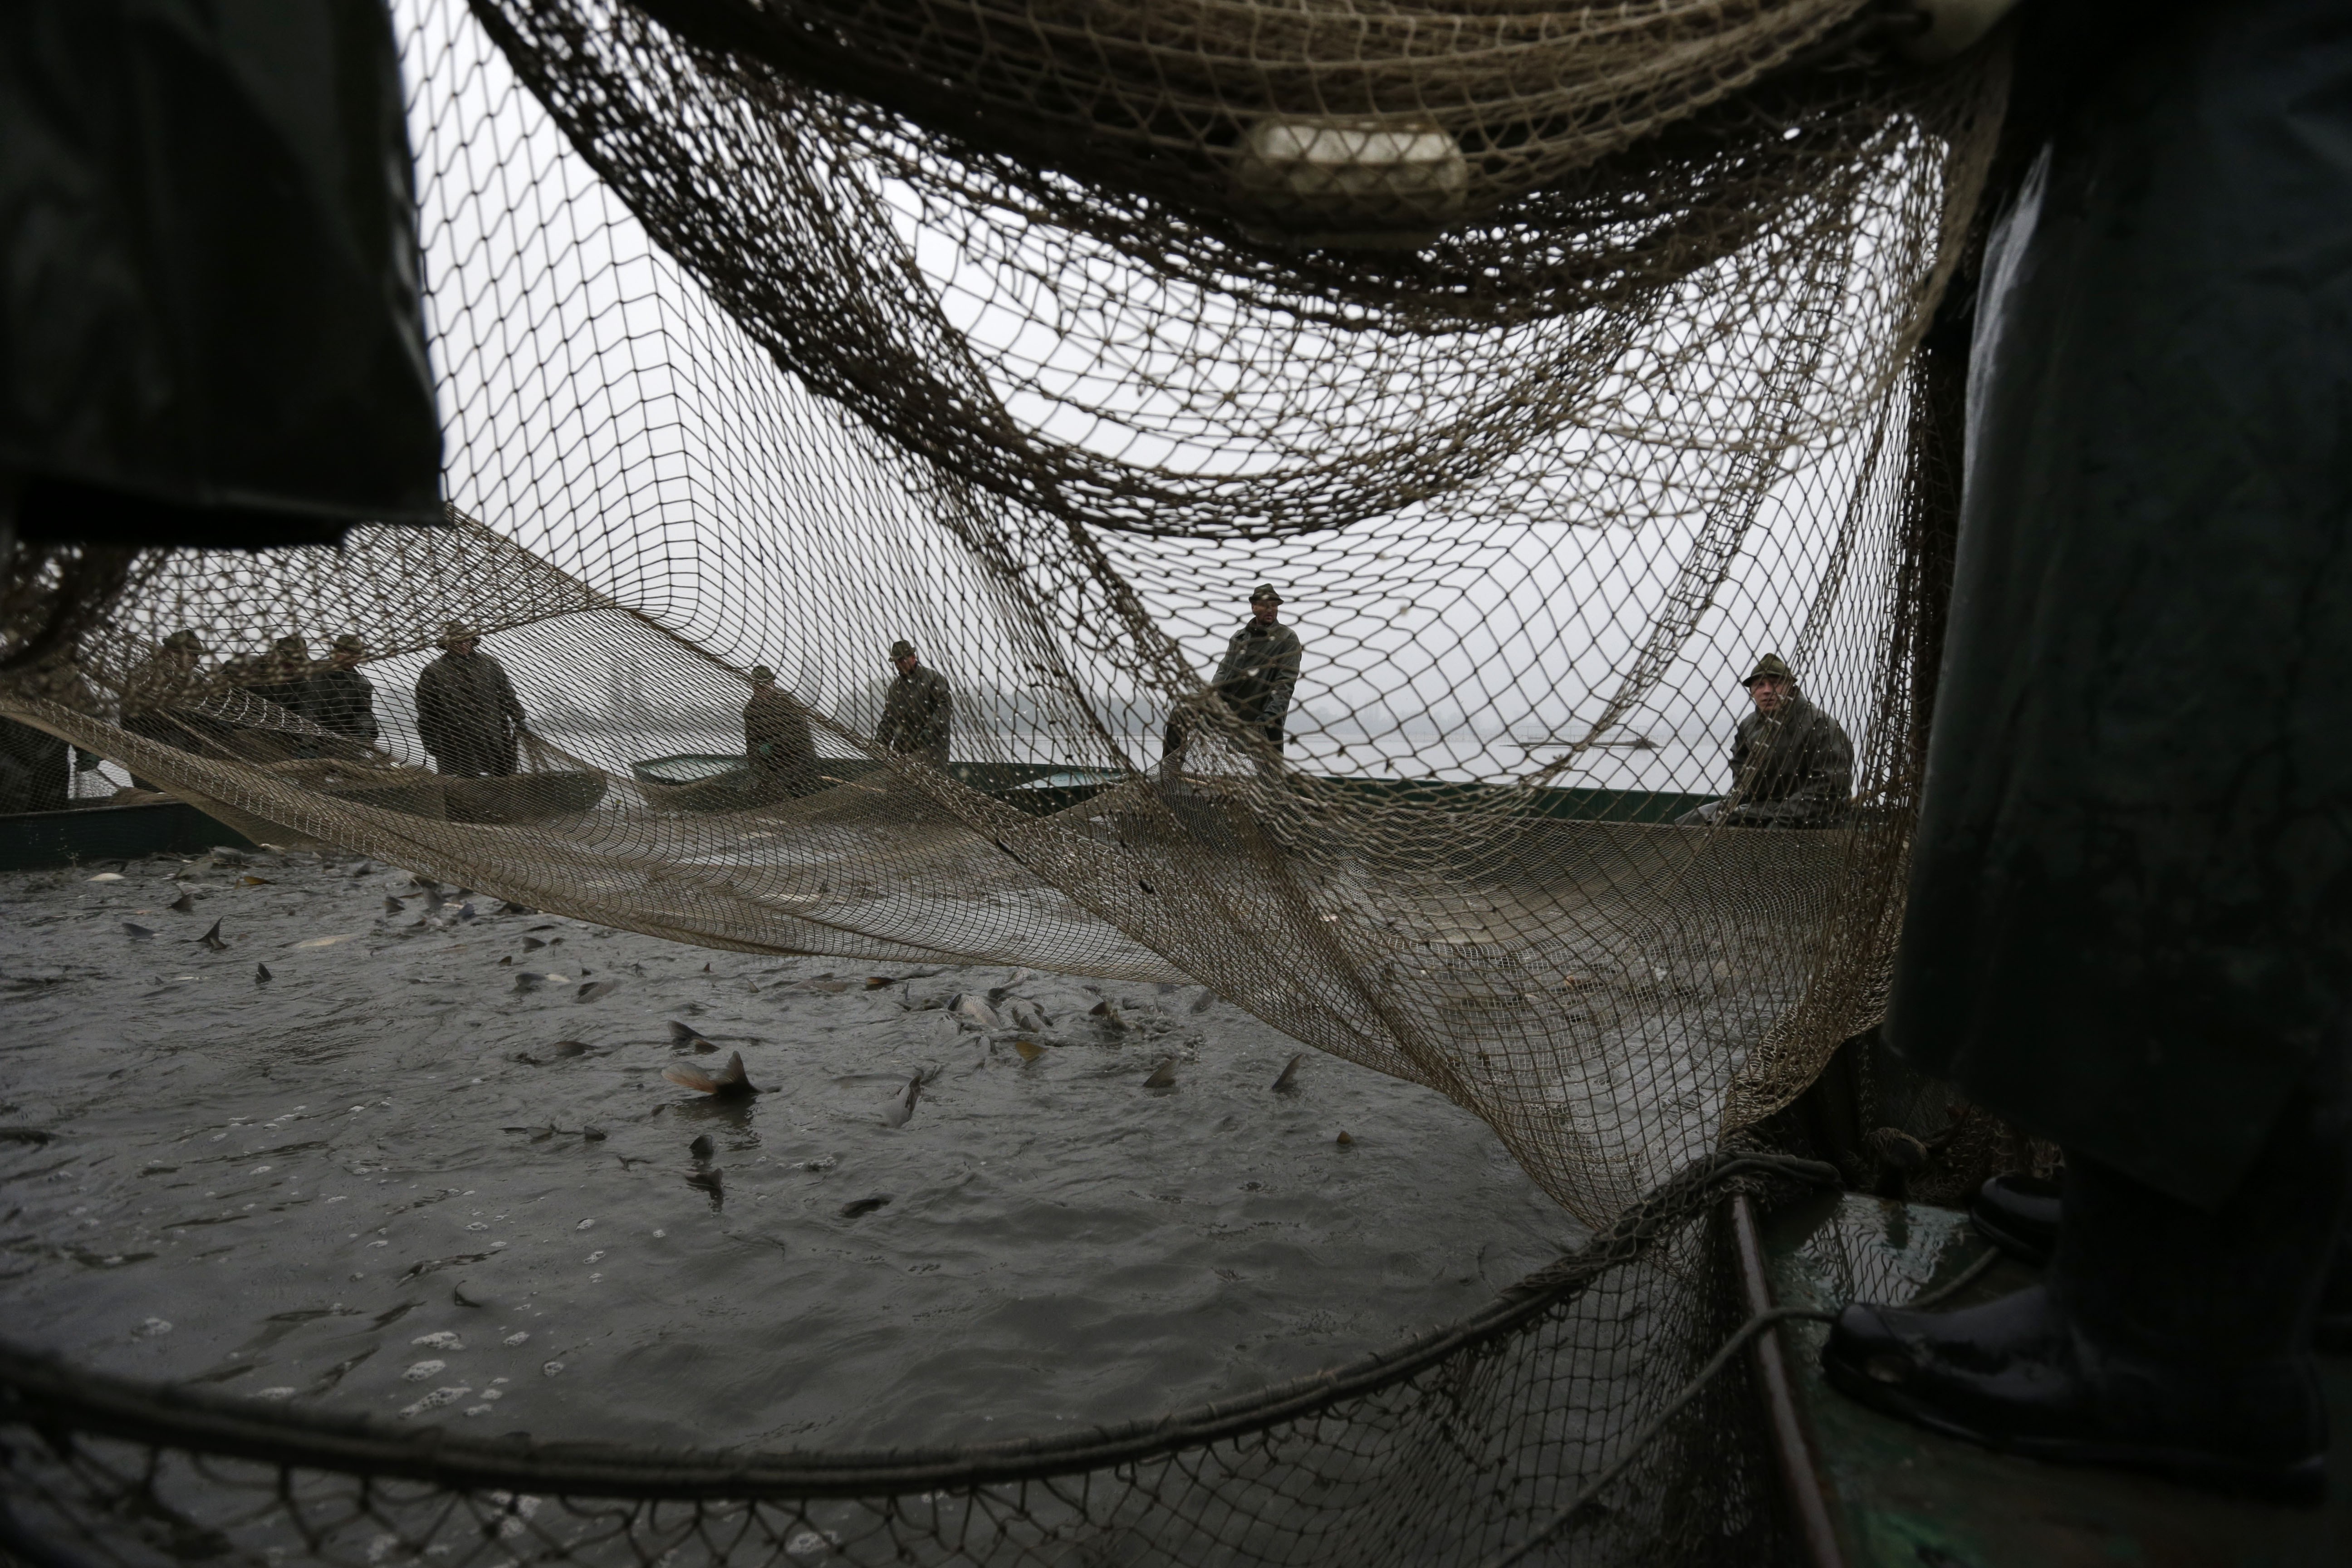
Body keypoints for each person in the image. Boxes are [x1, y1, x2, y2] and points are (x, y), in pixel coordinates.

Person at [1821, 1, 2352, 1505]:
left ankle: (2178, 1331)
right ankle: (2270, 1238)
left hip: (2264, 171)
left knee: (2209, 683)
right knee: (2200, 668)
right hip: (2213, 130)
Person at [1678, 654, 1852, 827]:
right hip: (1760, 808)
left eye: (1776, 683)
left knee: (1768, 833)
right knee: (1693, 820)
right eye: (1760, 685)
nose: (1767, 691)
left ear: (1791, 687)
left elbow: (1830, 786)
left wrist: (1781, 818)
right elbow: (1740, 768)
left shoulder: (1820, 724)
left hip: (1811, 816)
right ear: (1752, 691)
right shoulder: (1749, 725)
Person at [1162, 584, 1303, 777]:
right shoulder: (1239, 637)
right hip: (1228, 711)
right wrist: (1209, 700)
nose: (1271, 609)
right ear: (1254, 607)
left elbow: (1285, 683)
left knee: (1271, 779)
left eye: (1274, 605)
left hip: (1261, 713)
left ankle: (1273, 789)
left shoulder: (1287, 639)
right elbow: (1223, 673)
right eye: (1265, 605)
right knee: (1182, 712)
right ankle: (1170, 773)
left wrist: (1269, 716)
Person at [413, 622, 526, 778]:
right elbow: (426, 710)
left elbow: (507, 693)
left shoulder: (490, 664)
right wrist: (429, 739)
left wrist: (519, 717)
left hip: (495, 734)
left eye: (467, 640)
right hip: (457, 738)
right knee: (465, 779)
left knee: (503, 775)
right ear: (447, 645)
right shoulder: (434, 671)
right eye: (458, 642)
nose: (464, 645)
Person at [743, 663, 821, 797]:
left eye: (764, 686)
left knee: (786, 791)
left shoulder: (788, 701)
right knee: (756, 789)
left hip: (799, 760)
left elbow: (799, 735)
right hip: (773, 764)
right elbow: (751, 743)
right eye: (756, 686)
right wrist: (756, 767)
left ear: (772, 684)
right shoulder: (751, 710)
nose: (760, 689)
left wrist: (773, 745)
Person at [874, 640, 952, 768]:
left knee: (927, 785)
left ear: (913, 658)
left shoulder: (934, 680)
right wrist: (880, 742)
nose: (899, 665)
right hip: (902, 754)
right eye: (896, 662)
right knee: (896, 786)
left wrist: (928, 733)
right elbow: (889, 717)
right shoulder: (895, 688)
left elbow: (944, 709)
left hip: (931, 753)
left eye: (902, 661)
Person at [308, 634, 380, 745]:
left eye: (356, 656)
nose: (351, 659)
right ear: (336, 651)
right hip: (302, 730)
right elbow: (303, 707)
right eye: (346, 653)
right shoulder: (311, 672)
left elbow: (362, 712)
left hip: (337, 738)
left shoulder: (361, 684)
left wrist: (366, 729)